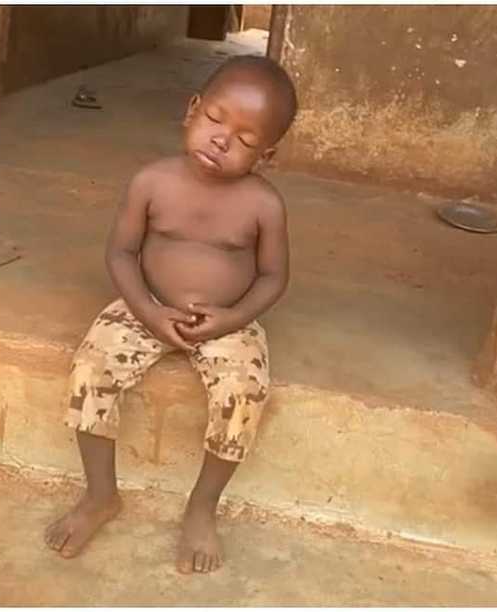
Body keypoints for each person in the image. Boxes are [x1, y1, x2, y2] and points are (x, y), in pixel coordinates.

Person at [43, 55, 297, 575]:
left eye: (247, 141)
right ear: (192, 110)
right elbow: (120, 254)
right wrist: (147, 311)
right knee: (91, 369)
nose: (223, 139)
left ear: (266, 155)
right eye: (216, 119)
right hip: (147, 307)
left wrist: (232, 318)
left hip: (227, 321)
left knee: (244, 394)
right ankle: (100, 495)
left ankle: (202, 507)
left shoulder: (263, 206)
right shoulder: (151, 183)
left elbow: (273, 277)